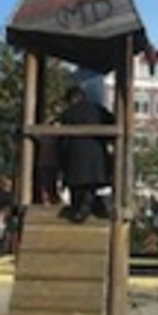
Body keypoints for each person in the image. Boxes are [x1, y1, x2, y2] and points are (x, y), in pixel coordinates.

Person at [58, 86, 115, 223]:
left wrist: (62, 159)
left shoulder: (68, 114)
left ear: (72, 99)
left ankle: (79, 211)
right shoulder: (99, 111)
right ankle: (96, 209)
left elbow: (63, 140)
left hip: (76, 157)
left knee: (78, 189)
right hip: (97, 157)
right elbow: (112, 122)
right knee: (93, 186)